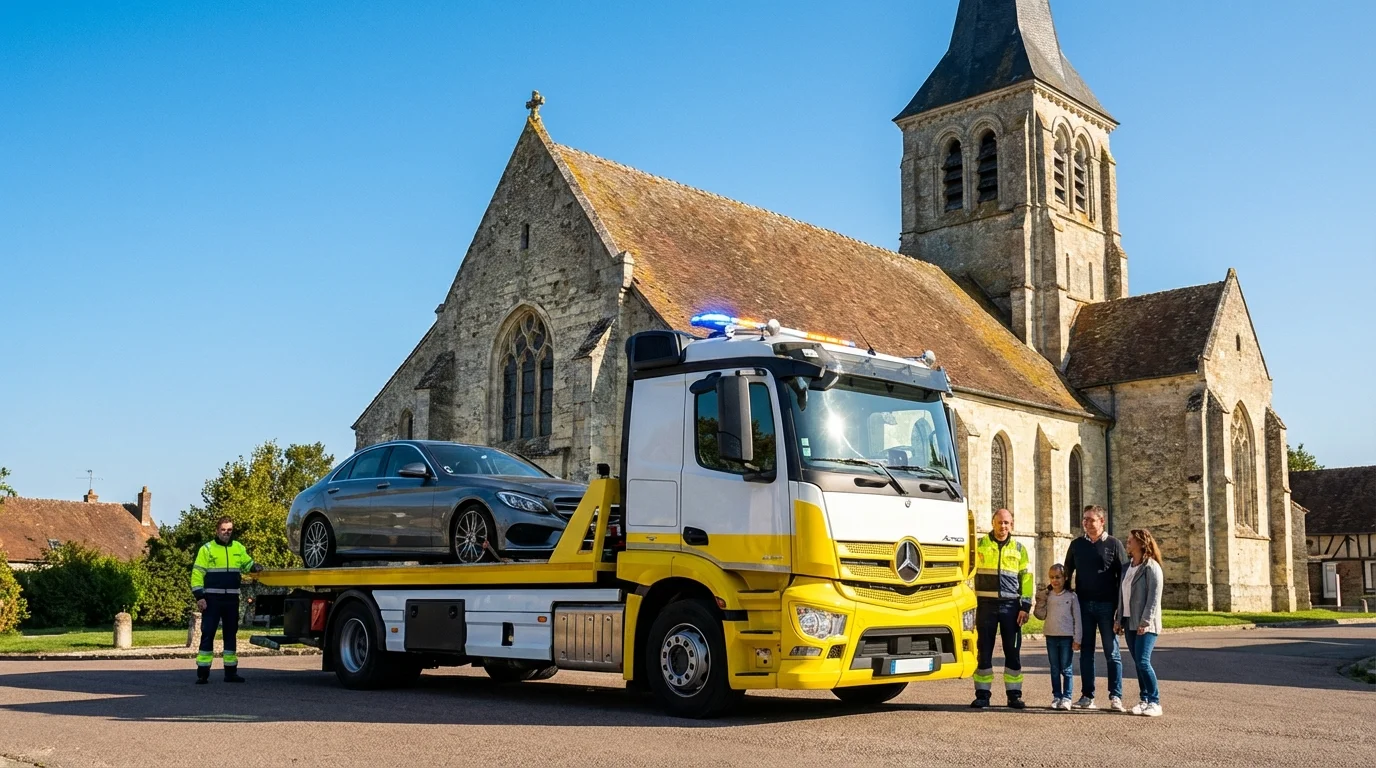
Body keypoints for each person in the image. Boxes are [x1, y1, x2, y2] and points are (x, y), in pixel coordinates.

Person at [1063, 504, 1128, 712]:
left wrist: (1121, 609)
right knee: (1086, 652)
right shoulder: (1076, 545)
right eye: (1084, 519)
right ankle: (1087, 696)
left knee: (1112, 652)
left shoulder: (1114, 544)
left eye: (1091, 519)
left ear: (1102, 522)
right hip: (1083, 605)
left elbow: (1124, 579)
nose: (1086, 523)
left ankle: (1115, 696)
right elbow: (1067, 573)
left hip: (1108, 606)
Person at [971, 508, 1033, 709]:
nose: (1003, 526)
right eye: (1000, 522)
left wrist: (1025, 606)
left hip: (1011, 607)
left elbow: (1027, 578)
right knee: (984, 651)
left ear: (1012, 525)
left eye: (1007, 523)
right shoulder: (979, 545)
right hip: (985, 605)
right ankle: (982, 695)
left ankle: (1014, 695)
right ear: (993, 523)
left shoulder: (1019, 548)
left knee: (1012, 651)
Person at [190, 516, 262, 684]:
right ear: (217, 530)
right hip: (212, 599)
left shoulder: (238, 547)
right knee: (208, 634)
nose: (226, 533)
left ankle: (230, 672)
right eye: (223, 530)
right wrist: (199, 597)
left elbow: (247, 564)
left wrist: (254, 567)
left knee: (231, 634)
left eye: (229, 530)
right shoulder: (207, 549)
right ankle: (203, 672)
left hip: (231, 598)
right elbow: (197, 574)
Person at [1117, 528, 1164, 717]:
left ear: (1142, 543)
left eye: (1131, 540)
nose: (1127, 542)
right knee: (1138, 662)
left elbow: (1154, 597)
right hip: (1129, 621)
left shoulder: (1151, 567)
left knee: (1144, 661)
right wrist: (1118, 619)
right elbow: (1122, 596)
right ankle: (1144, 700)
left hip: (1146, 624)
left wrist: (1145, 621)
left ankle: (1155, 701)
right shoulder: (1127, 568)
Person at [1033, 563, 1081, 710]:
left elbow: (1077, 618)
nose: (1055, 581)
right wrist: (1040, 598)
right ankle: (1057, 696)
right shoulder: (1048, 596)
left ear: (1065, 578)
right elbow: (1039, 615)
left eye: (1058, 577)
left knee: (1066, 668)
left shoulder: (1072, 596)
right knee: (1054, 668)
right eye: (1052, 577)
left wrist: (1077, 639)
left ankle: (1067, 697)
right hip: (1051, 636)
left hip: (1066, 637)